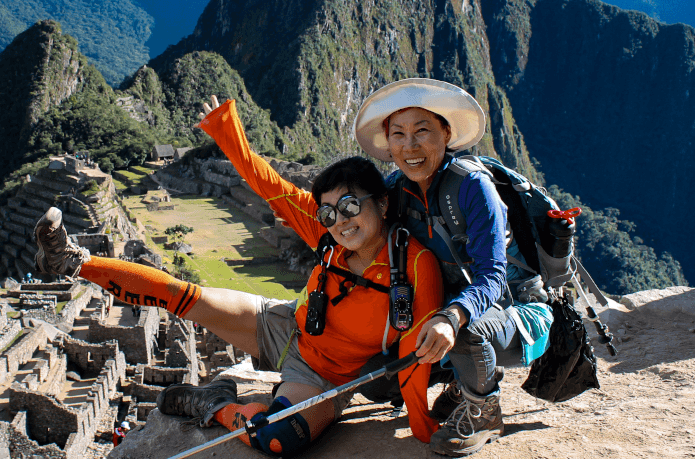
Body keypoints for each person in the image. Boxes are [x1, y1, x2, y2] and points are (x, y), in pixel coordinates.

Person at [33, 99, 445, 457]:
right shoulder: (325, 233)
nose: (341, 221)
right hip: (281, 326)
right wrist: (224, 127)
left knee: (277, 438)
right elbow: (269, 186)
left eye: (352, 205)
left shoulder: (413, 266)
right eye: (329, 212)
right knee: (183, 296)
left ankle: (213, 404)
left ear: (383, 203)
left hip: (324, 376)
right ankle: (70, 260)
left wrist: (423, 428)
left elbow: (415, 354)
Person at [353, 78, 552, 457]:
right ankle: (463, 382)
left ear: (446, 133)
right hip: (444, 313)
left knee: (466, 331)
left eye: (422, 131)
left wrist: (452, 315)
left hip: (517, 310)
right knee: (375, 379)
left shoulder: (473, 187)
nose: (410, 145)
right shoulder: (397, 191)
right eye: (398, 134)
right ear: (388, 144)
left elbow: (492, 276)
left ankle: (484, 412)